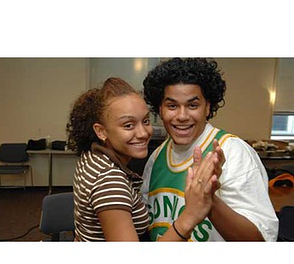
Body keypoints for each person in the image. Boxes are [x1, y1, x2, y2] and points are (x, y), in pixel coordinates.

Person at [66, 77, 223, 241]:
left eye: (146, 121)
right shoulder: (110, 181)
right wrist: (189, 217)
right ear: (101, 131)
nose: (143, 133)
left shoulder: (92, 157)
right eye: (128, 125)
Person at [141, 58, 279, 242]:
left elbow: (260, 240)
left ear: (207, 107)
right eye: (172, 106)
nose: (182, 116)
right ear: (160, 108)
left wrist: (209, 201)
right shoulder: (156, 157)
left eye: (192, 105)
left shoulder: (233, 152)